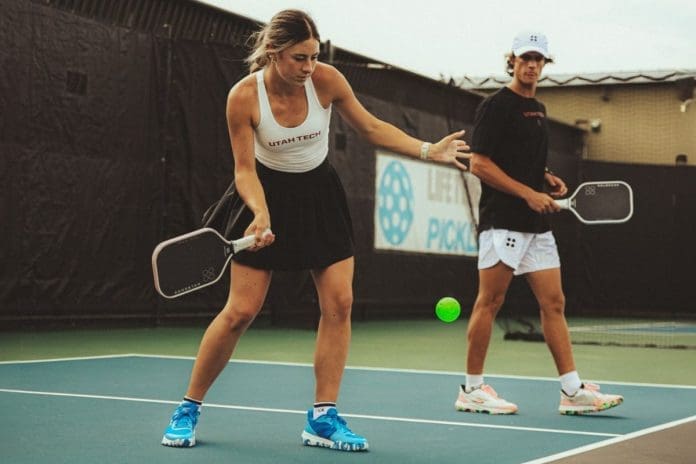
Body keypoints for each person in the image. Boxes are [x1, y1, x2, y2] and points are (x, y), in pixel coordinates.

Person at [161, 9, 470, 451]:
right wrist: (261, 212)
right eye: (299, 58)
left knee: (340, 305)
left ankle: (323, 417)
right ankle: (187, 408)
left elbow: (370, 126)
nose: (309, 67)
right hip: (264, 193)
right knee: (240, 311)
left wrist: (427, 149)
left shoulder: (326, 80)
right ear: (273, 53)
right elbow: (244, 170)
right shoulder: (243, 97)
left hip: (320, 197)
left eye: (313, 56)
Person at [454, 31, 623, 415]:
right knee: (491, 301)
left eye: (538, 59)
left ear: (545, 64)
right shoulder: (496, 105)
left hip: (536, 228)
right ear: (511, 61)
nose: (531, 65)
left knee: (554, 303)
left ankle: (571, 391)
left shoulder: (540, 110)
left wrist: (543, 177)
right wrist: (527, 193)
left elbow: (518, 156)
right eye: (524, 58)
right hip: (503, 223)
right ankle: (472, 389)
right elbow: (479, 163)